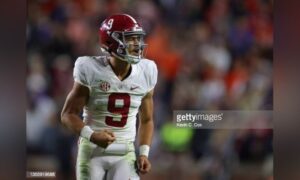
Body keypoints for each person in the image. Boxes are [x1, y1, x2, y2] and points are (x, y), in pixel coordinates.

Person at [61, 14, 158, 180]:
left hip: (125, 151)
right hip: (92, 149)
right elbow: (67, 114)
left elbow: (147, 120)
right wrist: (92, 135)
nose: (137, 44)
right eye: (130, 39)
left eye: (138, 38)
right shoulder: (90, 69)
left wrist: (143, 153)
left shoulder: (147, 71)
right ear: (110, 42)